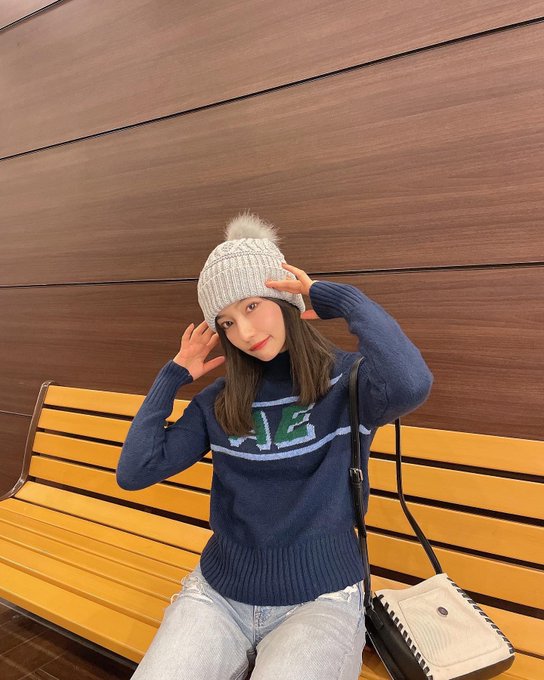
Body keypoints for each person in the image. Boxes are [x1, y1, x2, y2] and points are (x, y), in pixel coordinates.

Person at [116, 210, 434, 680]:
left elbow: (412, 383)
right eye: (226, 322)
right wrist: (172, 376)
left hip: (322, 597)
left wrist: (338, 298)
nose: (243, 333)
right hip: (219, 594)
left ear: (283, 299)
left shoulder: (349, 382)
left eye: (252, 306)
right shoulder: (219, 401)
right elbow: (136, 471)